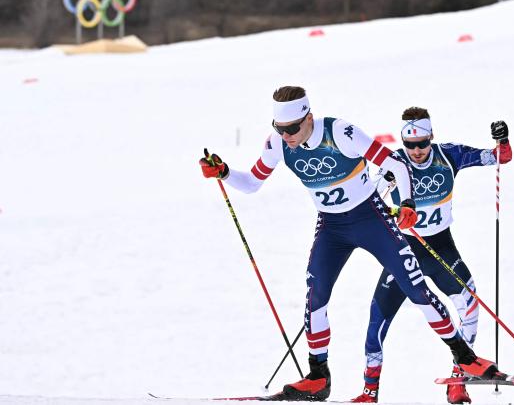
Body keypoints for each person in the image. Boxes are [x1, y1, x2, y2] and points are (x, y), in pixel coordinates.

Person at [200, 88, 498, 402]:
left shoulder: (341, 132)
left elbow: (395, 165)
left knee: (415, 289)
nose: (286, 135)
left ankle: (465, 358)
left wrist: (408, 203)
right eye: (280, 128)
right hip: (332, 227)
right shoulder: (277, 144)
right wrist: (224, 172)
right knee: (315, 294)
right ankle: (318, 377)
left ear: (308, 118)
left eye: (292, 128)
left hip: (371, 219)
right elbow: (252, 183)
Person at [350, 107, 512, 404]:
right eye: (409, 144)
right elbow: (368, 203)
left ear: (431, 137)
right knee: (377, 320)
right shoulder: (394, 164)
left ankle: (458, 379)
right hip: (404, 250)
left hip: (440, 246)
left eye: (422, 143)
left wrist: (503, 143)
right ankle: (369, 391)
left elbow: (498, 157)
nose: (416, 151)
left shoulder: (449, 155)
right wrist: (392, 211)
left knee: (470, 302)